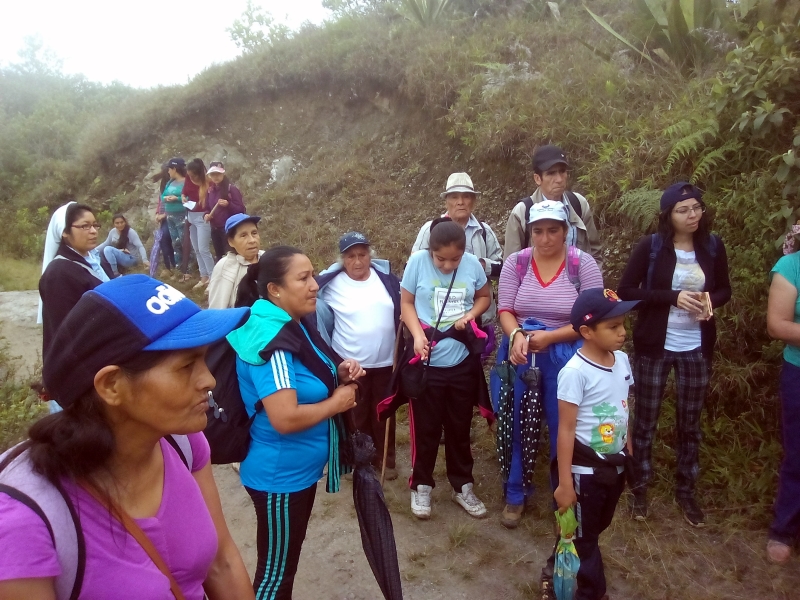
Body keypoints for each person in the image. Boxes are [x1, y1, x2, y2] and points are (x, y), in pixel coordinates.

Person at [0, 275, 254, 599]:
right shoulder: (22, 522)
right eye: (186, 365)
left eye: (204, 359)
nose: (209, 380)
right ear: (111, 385)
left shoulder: (182, 443)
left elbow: (222, 564)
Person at [227, 246, 365, 599]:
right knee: (274, 578)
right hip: (279, 478)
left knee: (283, 569)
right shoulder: (270, 339)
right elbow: (285, 417)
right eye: (303, 278)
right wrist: (336, 403)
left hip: (295, 474)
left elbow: (308, 374)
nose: (315, 285)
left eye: (313, 275)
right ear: (275, 289)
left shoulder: (291, 322)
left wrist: (339, 370)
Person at [618, 181, 731, 527]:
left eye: (697, 207)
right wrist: (672, 297)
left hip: (696, 347)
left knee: (690, 423)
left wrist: (710, 303)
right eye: (684, 210)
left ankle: (686, 490)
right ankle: (639, 488)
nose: (693, 215)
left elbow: (725, 288)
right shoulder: (651, 247)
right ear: (669, 215)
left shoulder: (711, 246)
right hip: (655, 346)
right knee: (646, 421)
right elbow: (625, 291)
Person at [496, 200, 603, 529]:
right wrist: (516, 334)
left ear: (566, 231)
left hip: (566, 356)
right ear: (530, 232)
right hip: (520, 352)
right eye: (538, 231)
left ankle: (564, 498)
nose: (545, 239)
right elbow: (505, 308)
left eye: (552, 231)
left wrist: (552, 337)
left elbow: (594, 315)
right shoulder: (517, 263)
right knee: (516, 421)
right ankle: (515, 492)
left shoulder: (580, 265)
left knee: (563, 429)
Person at [548, 288, 638, 600]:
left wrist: (629, 446)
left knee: (593, 528)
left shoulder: (622, 361)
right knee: (585, 539)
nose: (622, 333)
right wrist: (564, 484)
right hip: (583, 471)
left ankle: (556, 566)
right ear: (587, 331)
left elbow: (624, 404)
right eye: (613, 328)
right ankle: (591, 592)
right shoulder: (575, 373)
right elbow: (566, 429)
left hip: (613, 467)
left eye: (623, 324)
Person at [402, 219, 492, 520]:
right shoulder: (417, 263)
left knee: (459, 427)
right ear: (430, 251)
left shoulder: (472, 265)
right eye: (440, 259)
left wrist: (470, 315)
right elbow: (407, 303)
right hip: (427, 362)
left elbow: (484, 296)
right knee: (426, 429)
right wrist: (417, 335)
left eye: (454, 259)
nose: (447, 265)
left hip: (461, 363)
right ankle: (421, 486)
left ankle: (462, 485)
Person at [315, 231, 401, 480]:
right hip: (351, 362)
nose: (357, 261)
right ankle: (358, 461)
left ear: (369, 255)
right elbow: (313, 309)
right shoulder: (329, 285)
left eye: (362, 255)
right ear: (343, 259)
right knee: (355, 412)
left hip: (386, 360)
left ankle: (385, 458)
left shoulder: (386, 279)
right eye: (351, 256)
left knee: (383, 411)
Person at [411, 172, 503, 324]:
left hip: (478, 317)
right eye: (454, 197)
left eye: (466, 196)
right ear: (446, 201)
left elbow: (501, 268)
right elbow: (412, 268)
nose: (460, 202)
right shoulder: (430, 230)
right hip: (436, 318)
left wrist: (481, 265)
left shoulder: (483, 231)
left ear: (473, 201)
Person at [503, 145, 602, 267]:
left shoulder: (579, 204)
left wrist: (593, 282)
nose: (559, 179)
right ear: (538, 178)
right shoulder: (522, 212)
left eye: (562, 171)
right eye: (551, 173)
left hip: (580, 284)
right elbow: (511, 266)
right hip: (536, 285)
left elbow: (595, 252)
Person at [765, 224, 800, 564]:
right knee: (798, 453)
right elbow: (778, 325)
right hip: (799, 371)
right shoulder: (791, 267)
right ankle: (784, 528)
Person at [208, 214, 264, 309]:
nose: (252, 240)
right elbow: (217, 310)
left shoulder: (267, 258)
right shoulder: (225, 267)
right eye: (243, 235)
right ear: (231, 241)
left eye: (254, 233)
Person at [204, 161, 246, 261]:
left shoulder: (231, 189)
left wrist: (228, 205)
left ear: (223, 173)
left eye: (218, 174)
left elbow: (241, 210)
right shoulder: (210, 190)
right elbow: (207, 208)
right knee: (220, 257)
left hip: (228, 229)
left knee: (231, 256)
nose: (215, 177)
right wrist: (206, 215)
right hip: (215, 229)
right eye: (213, 174)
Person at [184, 158, 215, 290]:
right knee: (196, 249)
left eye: (193, 175)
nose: (190, 177)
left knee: (203, 249)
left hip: (202, 218)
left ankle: (213, 278)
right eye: (189, 175)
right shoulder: (188, 177)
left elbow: (209, 203)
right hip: (191, 216)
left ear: (199, 174)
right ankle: (204, 277)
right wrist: (183, 198)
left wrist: (199, 207)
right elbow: (184, 191)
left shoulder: (208, 183)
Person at [162, 157, 190, 281]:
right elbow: (163, 195)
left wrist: (177, 199)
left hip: (181, 215)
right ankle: (179, 269)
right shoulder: (169, 182)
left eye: (169, 169)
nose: (168, 171)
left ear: (174, 169)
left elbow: (189, 197)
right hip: (170, 216)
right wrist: (166, 198)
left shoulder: (186, 182)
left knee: (185, 242)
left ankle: (188, 270)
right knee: (175, 243)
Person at [150, 162, 176, 278]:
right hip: (164, 217)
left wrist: (163, 215)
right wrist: (157, 213)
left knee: (167, 238)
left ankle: (174, 266)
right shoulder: (164, 184)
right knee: (164, 240)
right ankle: (169, 267)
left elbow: (176, 203)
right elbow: (161, 201)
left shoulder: (175, 184)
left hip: (173, 216)